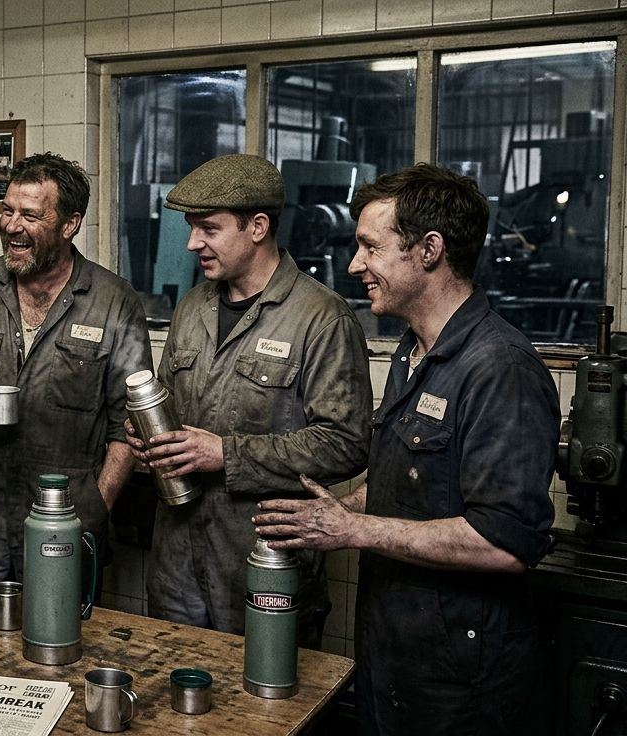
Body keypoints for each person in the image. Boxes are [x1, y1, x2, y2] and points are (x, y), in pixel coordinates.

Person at [252, 163, 557, 734]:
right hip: (395, 651)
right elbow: (414, 481)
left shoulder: (498, 369)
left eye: (370, 246)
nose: (354, 264)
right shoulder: (412, 351)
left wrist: (353, 532)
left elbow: (506, 541)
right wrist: (348, 510)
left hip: (461, 680)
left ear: (429, 250)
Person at [126, 154, 372, 644]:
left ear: (258, 227)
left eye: (209, 229)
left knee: (267, 706)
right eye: (192, 228)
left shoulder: (321, 318)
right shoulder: (193, 307)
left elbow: (346, 443)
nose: (193, 243)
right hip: (177, 555)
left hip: (265, 557)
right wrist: (147, 440)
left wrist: (225, 454)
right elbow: (169, 404)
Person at [0, 152, 152, 582]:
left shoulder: (113, 303)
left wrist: (96, 505)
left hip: (64, 521)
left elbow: (128, 425)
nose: (11, 226)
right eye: (7, 211)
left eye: (30, 215)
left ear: (68, 225)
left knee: (55, 640)